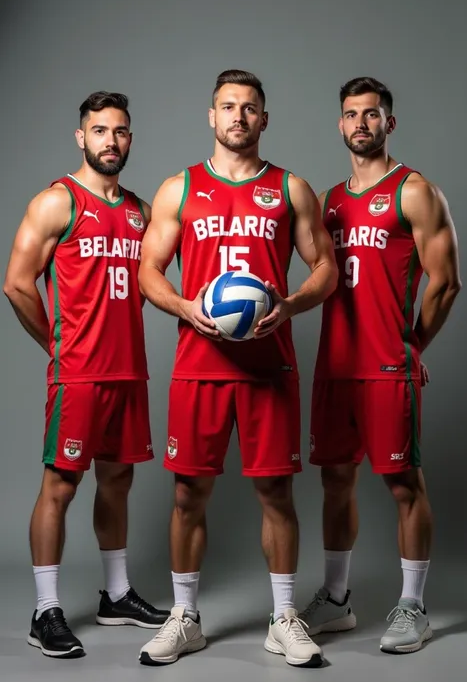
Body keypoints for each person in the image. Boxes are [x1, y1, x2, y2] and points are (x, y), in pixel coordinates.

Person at [136, 69, 338, 667]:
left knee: (276, 492)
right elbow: (150, 270)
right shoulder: (180, 188)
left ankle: (282, 619)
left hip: (269, 366)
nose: (239, 118)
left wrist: (292, 304)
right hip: (199, 362)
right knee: (187, 493)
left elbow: (324, 267)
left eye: (250, 109)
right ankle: (185, 617)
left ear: (264, 119)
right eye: (228, 107)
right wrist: (184, 306)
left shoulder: (291, 188)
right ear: (211, 116)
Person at [3, 91, 170, 659]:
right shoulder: (58, 202)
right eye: (99, 131)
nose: (110, 141)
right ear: (81, 137)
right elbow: (17, 283)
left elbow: (152, 283)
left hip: (129, 373)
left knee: (118, 482)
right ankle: (45, 609)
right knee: (61, 485)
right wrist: (58, 344)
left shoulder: (140, 211)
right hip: (78, 375)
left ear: (130, 138)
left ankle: (117, 595)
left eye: (120, 131)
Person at [300, 76, 462, 653]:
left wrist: (411, 344)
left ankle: (412, 606)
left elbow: (446, 284)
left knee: (403, 485)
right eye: (351, 115)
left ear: (389, 123)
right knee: (334, 480)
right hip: (334, 367)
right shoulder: (329, 201)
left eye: (372, 114)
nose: (361, 123)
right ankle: (337, 599)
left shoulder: (415, 192)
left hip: (386, 367)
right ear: (340, 124)